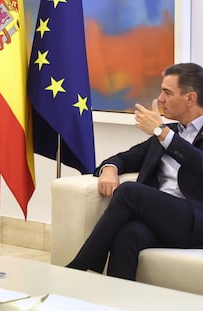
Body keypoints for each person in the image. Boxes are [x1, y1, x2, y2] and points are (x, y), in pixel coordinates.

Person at [66, 62, 203, 280]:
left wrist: (162, 132)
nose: (160, 99)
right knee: (128, 234)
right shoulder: (170, 133)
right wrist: (109, 169)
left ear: (190, 98)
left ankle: (79, 268)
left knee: (130, 192)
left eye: (167, 92)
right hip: (164, 219)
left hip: (196, 222)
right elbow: (125, 158)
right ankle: (117, 302)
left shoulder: (166, 135)